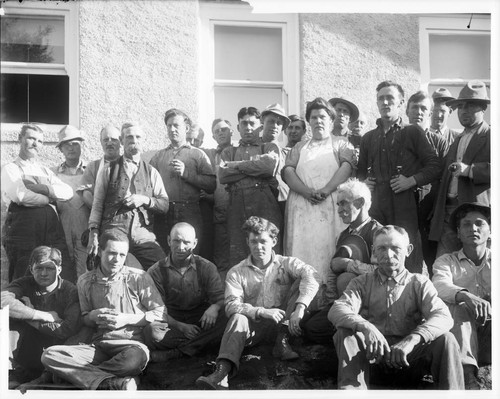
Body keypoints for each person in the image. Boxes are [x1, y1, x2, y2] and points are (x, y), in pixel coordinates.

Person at [329, 225, 464, 389]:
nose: (388, 255)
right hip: (371, 362)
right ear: (374, 251)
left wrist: (412, 340)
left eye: (395, 248)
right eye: (382, 248)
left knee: (447, 339)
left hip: (409, 362)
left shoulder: (419, 283)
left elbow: (443, 317)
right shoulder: (361, 282)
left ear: (408, 250)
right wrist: (366, 327)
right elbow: (337, 309)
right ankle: (351, 390)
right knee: (344, 333)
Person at [195, 216, 319, 390]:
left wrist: (300, 308)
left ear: (274, 241)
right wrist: (260, 311)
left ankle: (282, 343)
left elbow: (313, 275)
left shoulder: (286, 263)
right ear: (247, 242)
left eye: (263, 241)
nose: (258, 247)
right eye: (253, 242)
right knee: (238, 317)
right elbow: (231, 305)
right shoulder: (237, 272)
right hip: (254, 328)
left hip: (283, 323)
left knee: (302, 280)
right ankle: (221, 374)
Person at [41, 231, 166, 390]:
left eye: (122, 255)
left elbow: (161, 313)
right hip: (98, 346)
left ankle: (79, 377)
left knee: (134, 361)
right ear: (100, 251)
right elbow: (85, 318)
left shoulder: (138, 278)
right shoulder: (85, 281)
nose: (117, 260)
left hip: (131, 345)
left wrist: (126, 319)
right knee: (50, 355)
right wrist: (92, 316)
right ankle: (113, 382)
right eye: (112, 253)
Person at [356, 80, 441, 274]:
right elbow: (359, 173)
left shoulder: (412, 132)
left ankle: (410, 300)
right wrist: (364, 184)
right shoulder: (369, 138)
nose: (385, 102)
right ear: (376, 103)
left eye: (390, 98)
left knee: (405, 255)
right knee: (377, 255)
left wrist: (411, 180)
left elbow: (435, 165)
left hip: (404, 206)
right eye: (381, 99)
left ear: (401, 103)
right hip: (376, 206)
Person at [283, 97, 354, 306]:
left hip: (331, 207)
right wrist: (306, 192)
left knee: (329, 253)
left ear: (331, 121)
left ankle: (329, 306)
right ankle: (301, 307)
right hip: (303, 209)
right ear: (309, 121)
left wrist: (325, 190)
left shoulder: (341, 143)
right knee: (302, 254)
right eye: (313, 117)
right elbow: (288, 172)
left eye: (323, 116)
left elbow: (346, 167)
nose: (318, 121)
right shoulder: (300, 147)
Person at [302, 178, 381, 344]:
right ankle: (345, 332)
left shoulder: (379, 233)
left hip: (372, 302)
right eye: (338, 205)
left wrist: (348, 264)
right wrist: (332, 304)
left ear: (360, 203)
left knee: (346, 278)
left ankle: (355, 334)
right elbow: (333, 270)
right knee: (310, 328)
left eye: (344, 203)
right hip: (346, 301)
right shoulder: (344, 235)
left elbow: (383, 272)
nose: (339, 210)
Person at [87, 122, 168, 271]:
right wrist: (94, 232)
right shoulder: (108, 169)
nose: (134, 140)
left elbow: (164, 204)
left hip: (142, 230)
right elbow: (97, 204)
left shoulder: (151, 172)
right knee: (103, 271)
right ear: (122, 140)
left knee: (162, 268)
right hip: (113, 228)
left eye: (138, 137)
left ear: (143, 141)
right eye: (129, 136)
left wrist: (144, 200)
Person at [1, 124, 75, 283]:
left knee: (57, 271)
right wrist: (49, 198)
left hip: (51, 231)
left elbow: (68, 192)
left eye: (40, 141)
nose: (35, 143)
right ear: (20, 139)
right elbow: (20, 195)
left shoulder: (45, 171)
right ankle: (20, 307)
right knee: (23, 275)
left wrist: (42, 188)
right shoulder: (10, 169)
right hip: (23, 233)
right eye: (31, 138)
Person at [144, 223, 226, 362]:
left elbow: (221, 297)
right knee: (151, 332)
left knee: (227, 318)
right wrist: (180, 326)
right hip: (171, 320)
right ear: (169, 240)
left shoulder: (206, 267)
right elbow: (156, 310)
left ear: (194, 243)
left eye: (186, 242)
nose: (181, 247)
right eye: (176, 241)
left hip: (200, 320)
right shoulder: (155, 271)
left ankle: (178, 352)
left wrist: (215, 307)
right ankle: (202, 346)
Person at [2, 246, 81, 388]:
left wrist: (30, 320)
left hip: (54, 352)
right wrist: (42, 315)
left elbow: (67, 329)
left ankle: (45, 378)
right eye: (39, 268)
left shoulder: (70, 291)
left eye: (49, 268)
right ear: (31, 269)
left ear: (59, 269)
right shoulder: (24, 283)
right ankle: (11, 373)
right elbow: (3, 301)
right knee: (6, 317)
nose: (44, 273)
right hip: (26, 351)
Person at [432, 202, 491, 389]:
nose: (473, 228)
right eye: (466, 224)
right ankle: (467, 376)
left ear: (490, 231)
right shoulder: (446, 261)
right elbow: (439, 285)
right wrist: (465, 295)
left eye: (479, 223)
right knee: (457, 307)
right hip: (462, 335)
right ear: (458, 233)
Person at [429, 80, 490, 258]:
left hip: (475, 216)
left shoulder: (491, 135)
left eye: (470, 106)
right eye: (461, 106)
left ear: (483, 109)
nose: (464, 110)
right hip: (449, 214)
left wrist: (470, 170)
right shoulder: (457, 139)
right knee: (443, 264)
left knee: (476, 268)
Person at [219, 106, 283, 266]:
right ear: (238, 127)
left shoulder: (268, 147)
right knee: (239, 253)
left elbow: (269, 167)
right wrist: (255, 167)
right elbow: (223, 175)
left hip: (264, 204)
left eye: (252, 124)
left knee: (267, 251)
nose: (248, 128)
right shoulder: (228, 152)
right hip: (237, 207)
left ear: (260, 126)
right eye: (244, 124)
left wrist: (236, 166)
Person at [150, 108, 216, 253]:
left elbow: (211, 185)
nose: (172, 129)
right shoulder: (158, 157)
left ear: (186, 128)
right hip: (164, 213)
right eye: (169, 126)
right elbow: (148, 185)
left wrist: (186, 174)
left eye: (176, 125)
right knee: (164, 255)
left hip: (190, 211)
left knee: (189, 255)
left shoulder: (197, 154)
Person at [405, 90, 448, 274]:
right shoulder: (398, 138)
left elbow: (444, 178)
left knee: (433, 262)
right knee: (406, 260)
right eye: (414, 107)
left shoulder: (439, 142)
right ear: (407, 111)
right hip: (404, 209)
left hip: (429, 211)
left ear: (430, 114)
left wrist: (436, 210)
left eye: (424, 108)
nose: (419, 112)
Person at [52, 125, 90, 278]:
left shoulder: (92, 170)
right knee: (63, 272)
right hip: (62, 228)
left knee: (85, 273)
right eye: (66, 144)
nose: (71, 148)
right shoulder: (52, 173)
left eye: (75, 143)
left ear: (82, 145)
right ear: (61, 149)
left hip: (85, 228)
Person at [203, 118, 234, 276]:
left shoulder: (239, 150)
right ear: (213, 137)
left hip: (239, 210)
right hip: (220, 212)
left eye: (224, 129)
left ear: (232, 132)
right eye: (217, 131)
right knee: (221, 258)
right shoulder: (211, 155)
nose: (221, 133)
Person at [78, 124, 122, 209]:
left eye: (113, 139)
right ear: (101, 142)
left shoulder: (127, 165)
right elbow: (87, 194)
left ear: (120, 142)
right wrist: (100, 212)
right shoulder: (93, 167)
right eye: (105, 140)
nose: (109, 143)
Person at [260, 103, 291, 217]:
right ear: (263, 122)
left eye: (279, 123)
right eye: (271, 121)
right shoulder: (252, 149)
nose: (274, 126)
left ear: (282, 128)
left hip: (278, 207)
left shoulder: (287, 154)